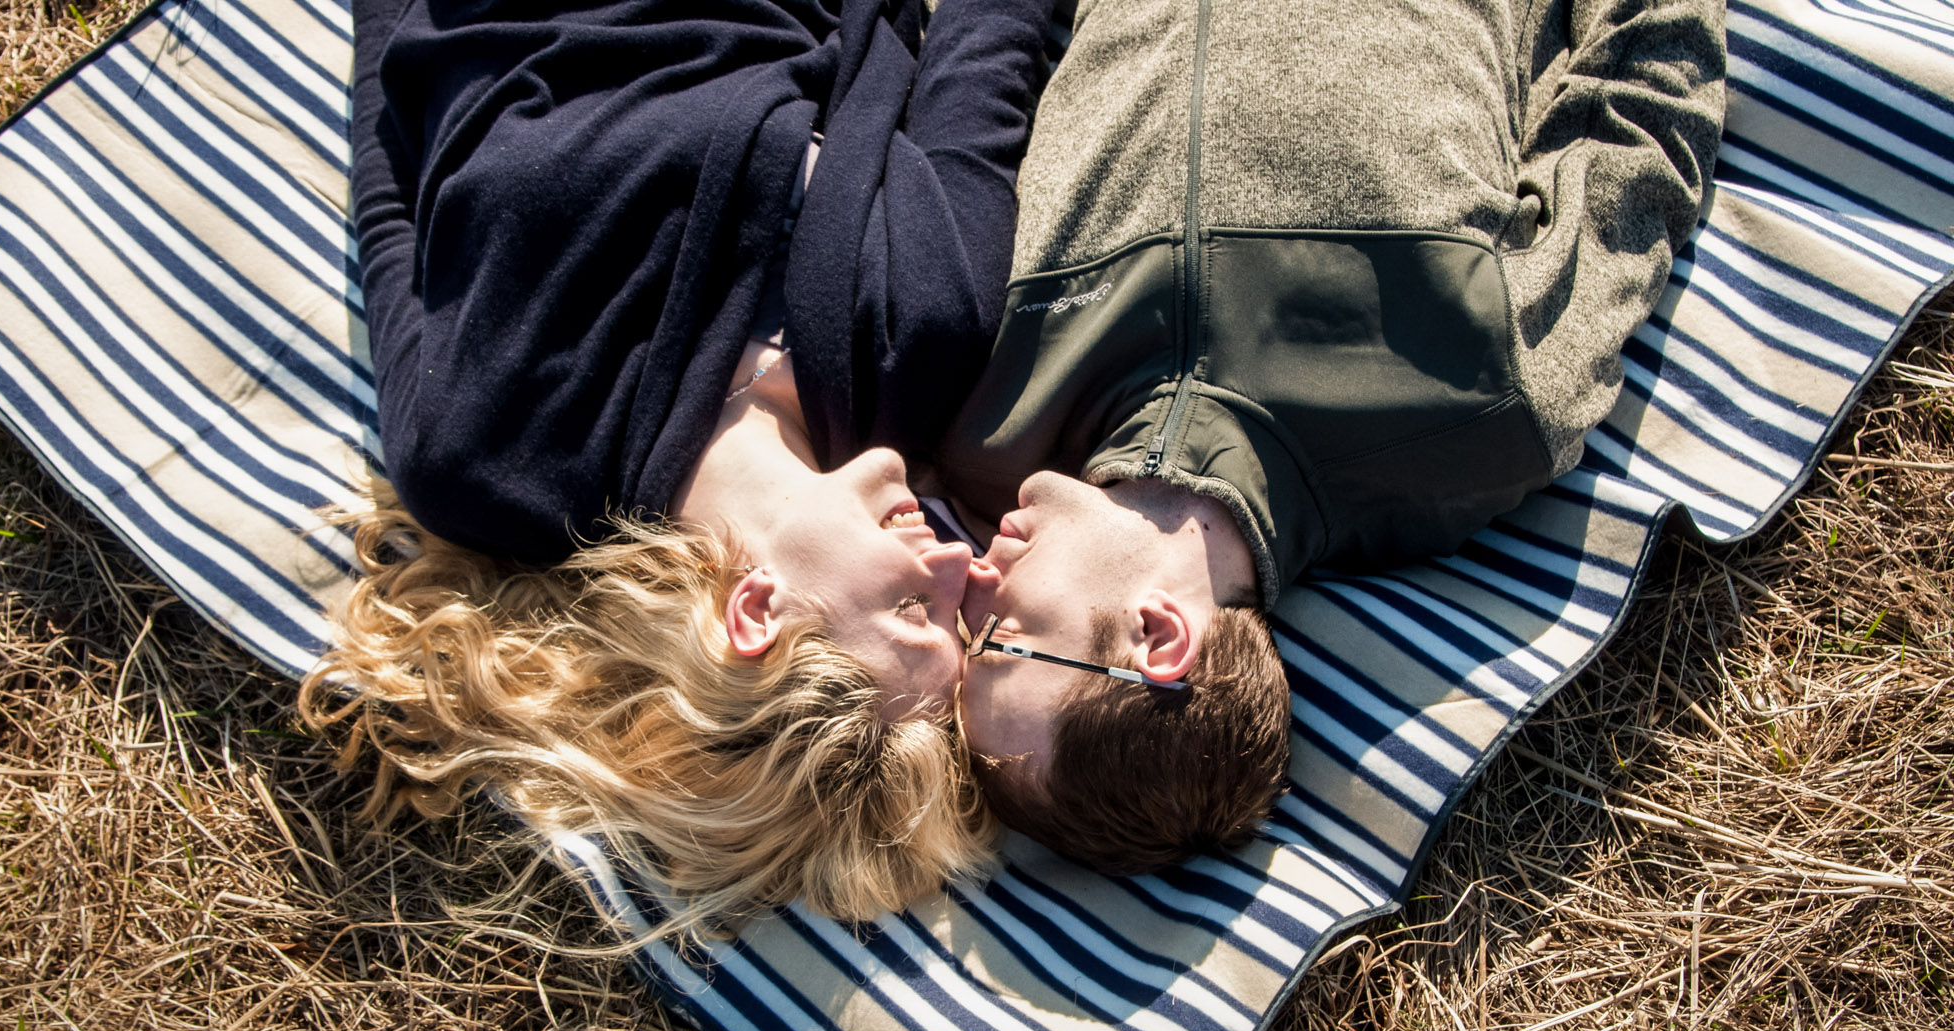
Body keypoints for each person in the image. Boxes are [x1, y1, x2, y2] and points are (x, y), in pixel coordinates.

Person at [302, 0, 1056, 935]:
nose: (963, 568)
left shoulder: (484, 458)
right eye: (963, 624)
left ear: (756, 613)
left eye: (914, 613)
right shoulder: (921, 340)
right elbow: (988, 49)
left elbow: (395, 187)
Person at [935, 0, 1727, 874]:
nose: (970, 589)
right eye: (996, 643)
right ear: (1159, 638)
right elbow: (1644, 112)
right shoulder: (1480, 409)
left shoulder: (986, 418)